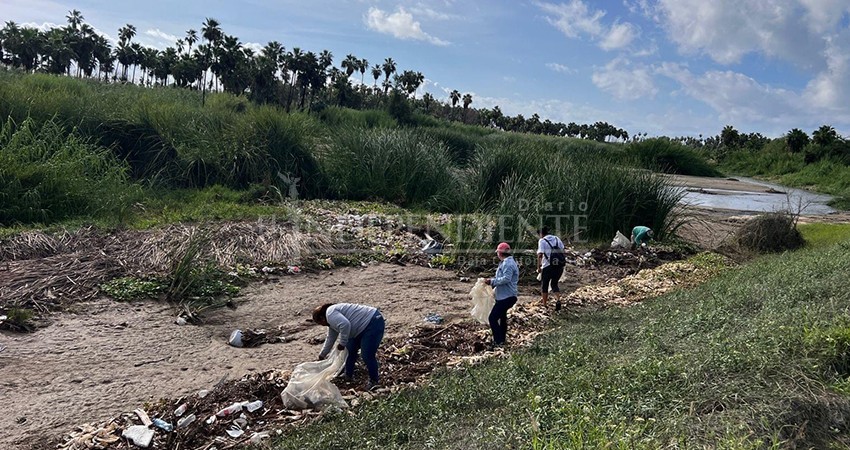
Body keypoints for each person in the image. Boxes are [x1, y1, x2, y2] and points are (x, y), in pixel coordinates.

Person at [313, 302, 385, 391]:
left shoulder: (330, 314)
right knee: (349, 351)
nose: (322, 325)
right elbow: (330, 338)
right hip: (358, 328)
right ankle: (348, 375)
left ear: (321, 318)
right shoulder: (331, 321)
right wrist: (322, 355)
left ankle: (374, 380)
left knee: (367, 355)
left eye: (320, 323)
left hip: (372, 322)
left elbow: (345, 325)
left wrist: (342, 343)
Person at [485, 242, 519, 347]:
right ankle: (502, 340)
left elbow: (506, 278)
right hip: (505, 295)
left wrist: (492, 282)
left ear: (500, 253)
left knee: (492, 318)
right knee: (502, 318)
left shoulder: (507, 264)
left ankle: (498, 341)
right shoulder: (508, 262)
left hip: (506, 297)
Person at [536, 227, 565, 309]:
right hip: (559, 266)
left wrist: (538, 267)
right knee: (554, 284)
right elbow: (562, 251)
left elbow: (540, 255)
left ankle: (544, 304)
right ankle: (558, 299)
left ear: (541, 234)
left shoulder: (542, 241)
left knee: (544, 285)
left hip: (547, 266)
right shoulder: (556, 239)